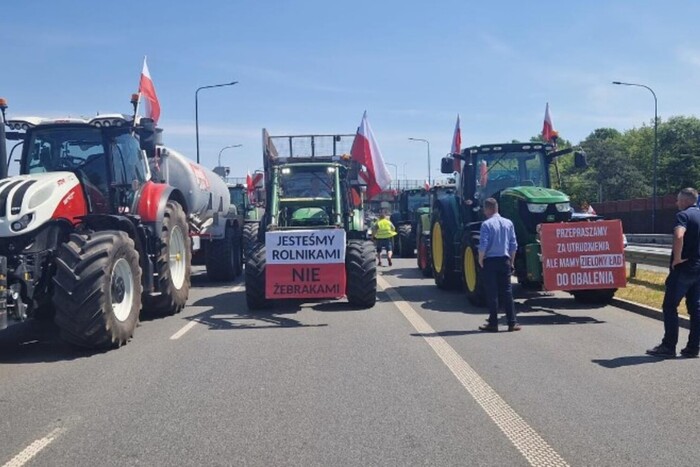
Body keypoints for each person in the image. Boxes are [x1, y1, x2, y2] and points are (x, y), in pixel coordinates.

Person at [647, 188, 700, 358]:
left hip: (683, 268)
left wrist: (677, 258)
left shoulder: (683, 215)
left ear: (685, 200)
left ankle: (668, 346)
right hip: (698, 268)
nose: (677, 203)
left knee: (670, 306)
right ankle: (693, 348)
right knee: (696, 309)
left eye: (678, 200)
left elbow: (679, 235)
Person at [478, 198, 520, 332]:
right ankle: (512, 322)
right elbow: (513, 245)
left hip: (490, 261)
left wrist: (480, 259)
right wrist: (512, 261)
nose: (484, 212)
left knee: (492, 293)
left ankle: (493, 323)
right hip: (505, 260)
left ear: (488, 209)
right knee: (507, 292)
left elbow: (483, 244)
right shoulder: (508, 223)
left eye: (485, 209)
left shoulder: (486, 224)